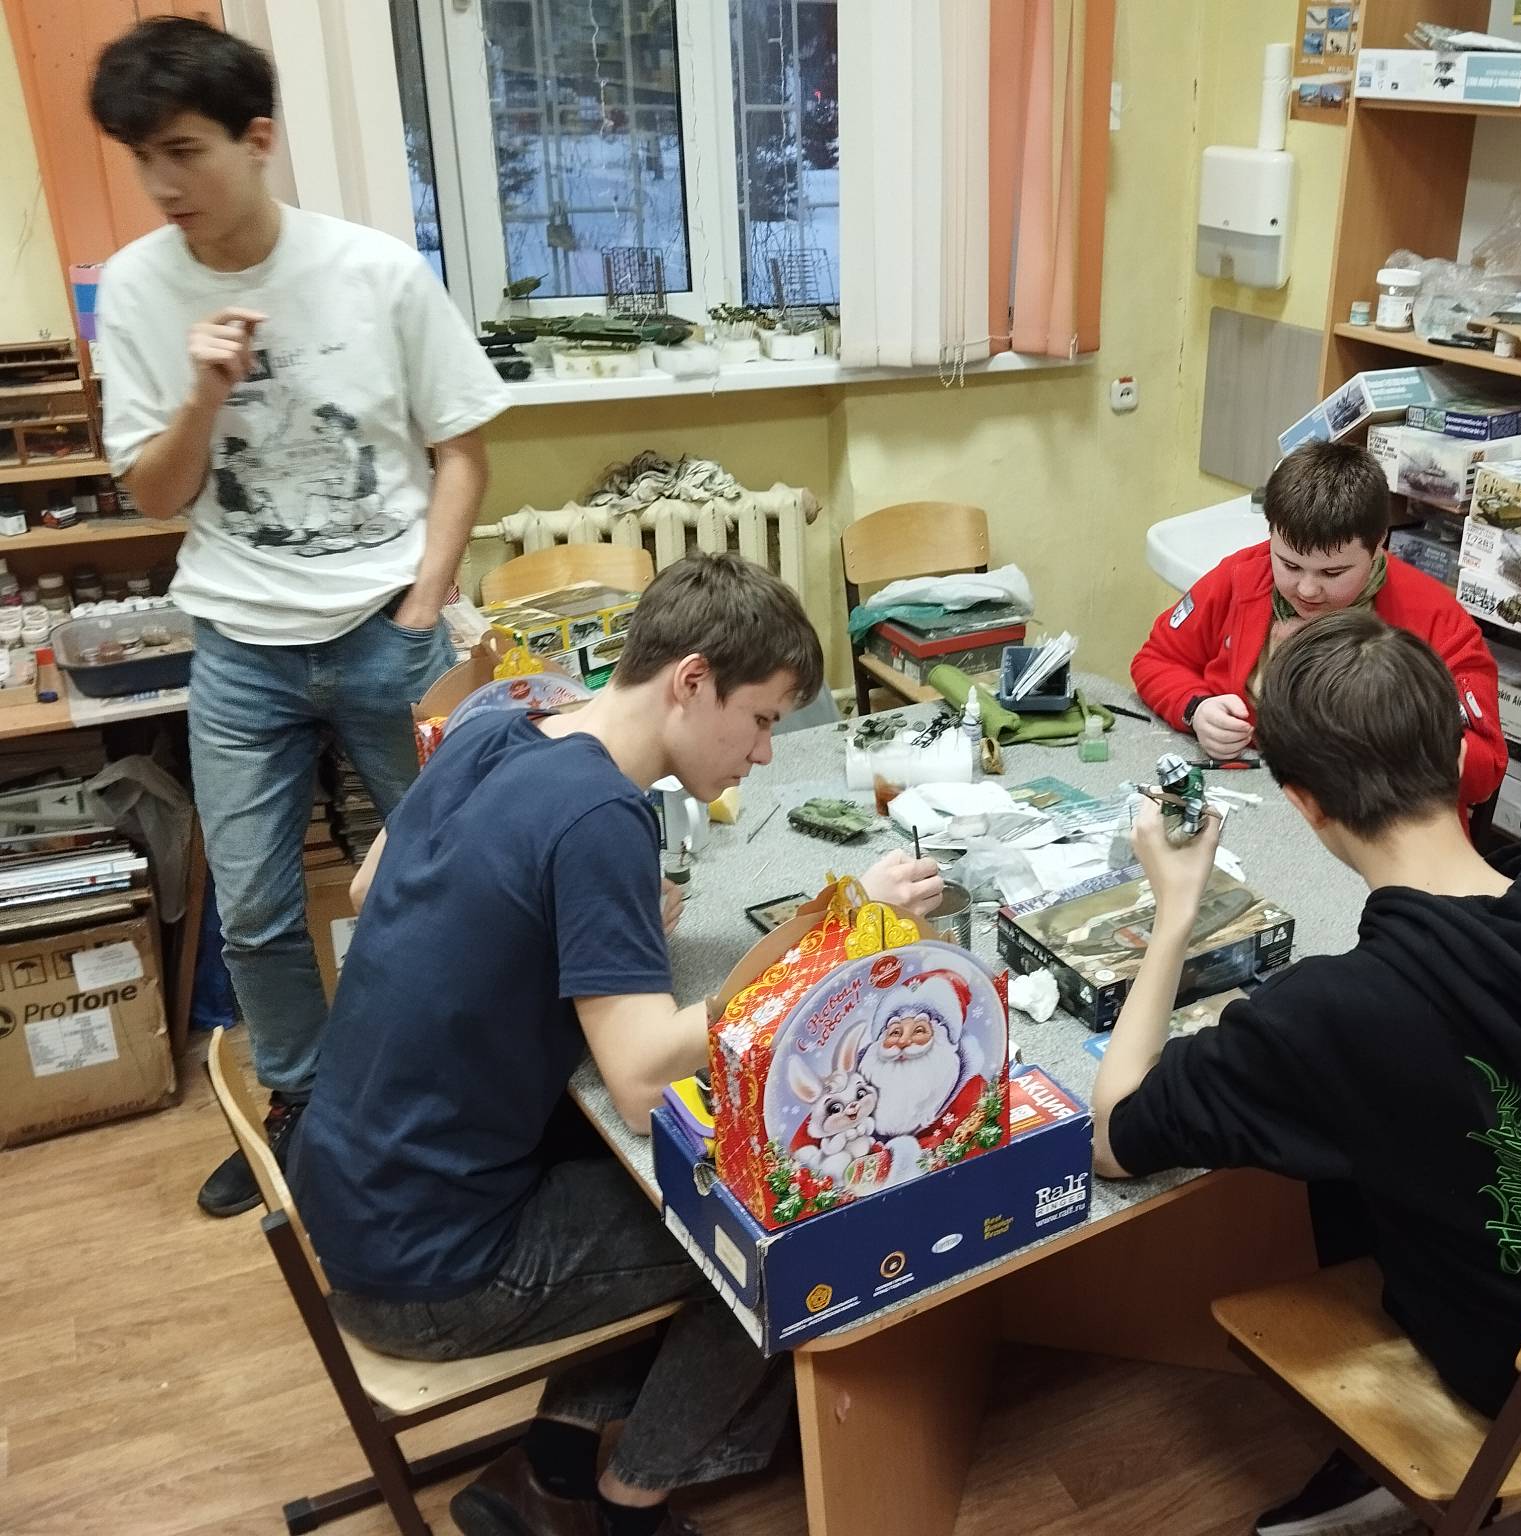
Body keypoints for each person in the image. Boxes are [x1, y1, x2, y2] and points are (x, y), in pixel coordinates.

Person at [291, 554, 945, 1536]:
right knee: (785, 1221)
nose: (765, 753)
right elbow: (640, 1085)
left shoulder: (498, 729)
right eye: (761, 719)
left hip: (350, 1195)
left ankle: (551, 1464)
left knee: (651, 1183)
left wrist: (574, 916)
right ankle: (632, 1501)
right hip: (431, 1270)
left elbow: (367, 889)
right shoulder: (603, 816)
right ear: (691, 680)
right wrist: (830, 939)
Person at [1093, 612, 1521, 1536]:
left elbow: (1115, 1138)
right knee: (1372, 1128)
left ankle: (1387, 1473)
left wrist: (1176, 910)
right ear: (1458, 756)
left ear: (1303, 803)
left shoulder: (1336, 1013)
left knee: (1352, 1123)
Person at [89, 17, 512, 1217]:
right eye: (142, 157)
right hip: (238, 647)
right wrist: (203, 389)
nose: (164, 183)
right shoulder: (137, 289)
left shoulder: (375, 272)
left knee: (456, 880)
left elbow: (461, 451)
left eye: (184, 150)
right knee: (259, 908)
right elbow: (156, 493)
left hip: (389, 629)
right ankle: (303, 1109)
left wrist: (424, 602)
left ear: (258, 137)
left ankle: (472, 1094)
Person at [1130, 440, 1506, 817]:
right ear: (1271, 533)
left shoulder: (1437, 620)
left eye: (1333, 573)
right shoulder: (1239, 577)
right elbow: (1156, 660)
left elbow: (1486, 765)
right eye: (1290, 566)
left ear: (1379, 543)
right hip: (1251, 795)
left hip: (1373, 817)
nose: (1307, 590)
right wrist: (1196, 708)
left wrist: (1393, 746)